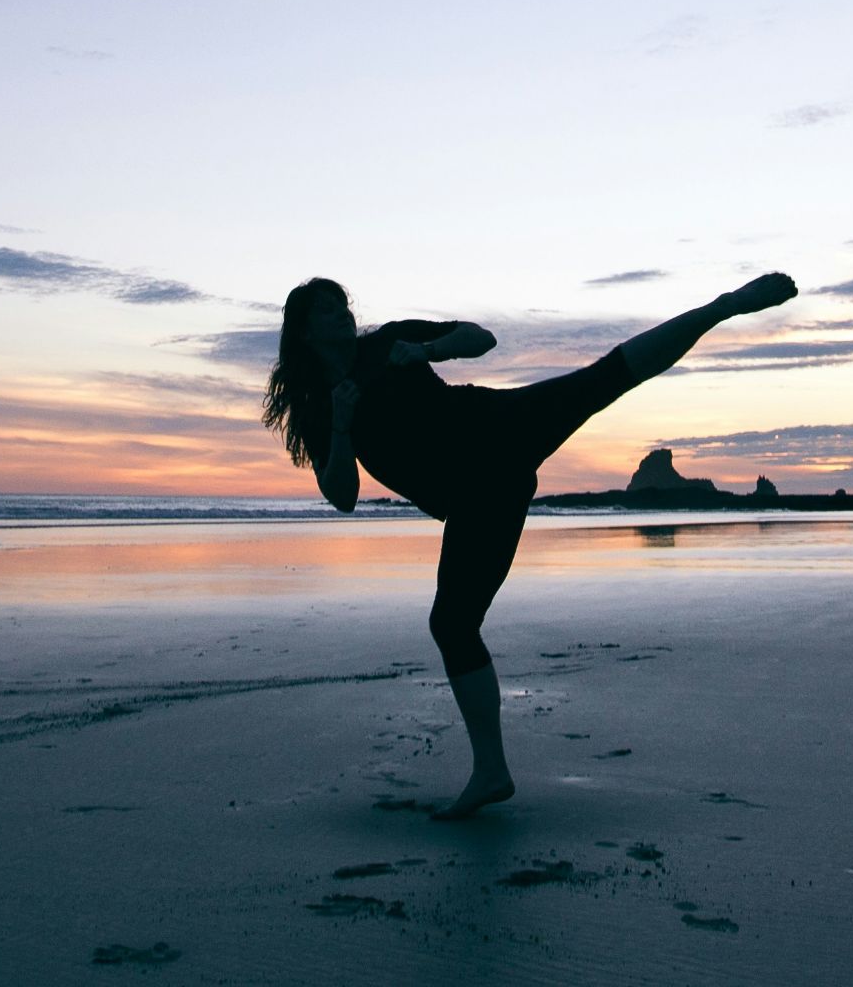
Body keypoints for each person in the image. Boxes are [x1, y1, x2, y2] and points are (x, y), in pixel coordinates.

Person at [261, 273, 797, 819]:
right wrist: (345, 427)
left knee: (603, 379)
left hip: (500, 429)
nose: (342, 315)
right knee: (452, 624)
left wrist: (424, 350)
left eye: (342, 305)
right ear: (304, 332)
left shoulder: (388, 342)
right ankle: (491, 773)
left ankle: (724, 306)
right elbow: (343, 495)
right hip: (479, 497)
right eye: (327, 311)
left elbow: (480, 337)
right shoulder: (319, 409)